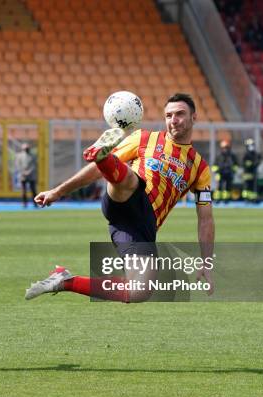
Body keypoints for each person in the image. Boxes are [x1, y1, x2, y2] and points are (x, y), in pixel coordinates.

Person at [25, 93, 215, 302]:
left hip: (136, 227)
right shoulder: (144, 138)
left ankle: (65, 280)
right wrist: (57, 192)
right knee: (133, 182)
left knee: (139, 291)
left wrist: (206, 262)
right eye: (168, 115)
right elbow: (95, 172)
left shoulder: (200, 168)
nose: (173, 120)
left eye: (179, 114)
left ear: (194, 118)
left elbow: (205, 218)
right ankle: (104, 157)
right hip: (127, 196)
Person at [212, 139, 238, 204]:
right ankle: (217, 199)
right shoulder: (219, 156)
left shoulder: (232, 156)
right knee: (219, 187)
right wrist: (217, 170)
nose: (225, 149)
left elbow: (236, 165)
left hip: (229, 173)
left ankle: (226, 200)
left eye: (226, 148)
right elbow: (214, 166)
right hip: (220, 174)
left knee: (228, 187)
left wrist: (233, 171)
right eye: (224, 148)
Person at [14, 143, 37, 207]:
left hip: (31, 175)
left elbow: (34, 165)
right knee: (23, 191)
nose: (26, 149)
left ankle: (35, 203)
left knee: (33, 191)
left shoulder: (33, 156)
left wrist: (29, 171)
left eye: (27, 148)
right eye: (25, 148)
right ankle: (24, 203)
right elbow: (18, 165)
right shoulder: (19, 156)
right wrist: (23, 172)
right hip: (23, 176)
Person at [241, 138, 261, 203]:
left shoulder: (255, 154)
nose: (251, 147)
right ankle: (247, 199)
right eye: (249, 145)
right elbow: (244, 163)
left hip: (253, 173)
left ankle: (253, 198)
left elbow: (259, 160)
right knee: (247, 187)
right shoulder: (246, 155)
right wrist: (251, 163)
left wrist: (256, 163)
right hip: (247, 173)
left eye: (252, 145)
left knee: (253, 187)